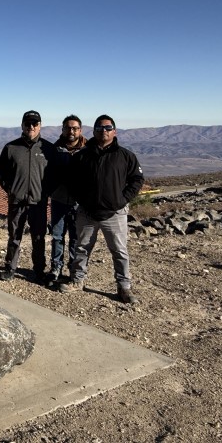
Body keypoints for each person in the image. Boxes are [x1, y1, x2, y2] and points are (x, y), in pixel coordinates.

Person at [59, 115, 145, 304]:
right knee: (81, 248)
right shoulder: (82, 155)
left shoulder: (125, 156)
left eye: (108, 127)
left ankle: (124, 287)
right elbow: (71, 181)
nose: (103, 131)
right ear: (94, 131)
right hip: (87, 212)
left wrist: (122, 200)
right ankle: (77, 280)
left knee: (119, 251)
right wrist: (81, 199)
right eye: (99, 128)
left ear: (114, 131)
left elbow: (137, 179)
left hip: (115, 213)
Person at [0, 110, 55, 282]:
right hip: (16, 201)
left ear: (40, 126)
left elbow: (55, 175)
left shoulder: (48, 149)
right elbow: (0, 173)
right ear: (22, 125)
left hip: (38, 202)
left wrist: (45, 192)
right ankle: (10, 268)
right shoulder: (11, 147)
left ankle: (39, 270)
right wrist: (11, 190)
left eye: (34, 123)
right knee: (14, 237)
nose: (31, 127)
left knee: (38, 237)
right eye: (27, 123)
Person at [47, 115, 88, 285]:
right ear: (62, 129)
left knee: (76, 238)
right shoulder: (54, 149)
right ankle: (56, 268)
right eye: (68, 128)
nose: (71, 131)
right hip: (59, 199)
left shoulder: (88, 150)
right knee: (57, 236)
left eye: (75, 128)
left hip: (80, 202)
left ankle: (73, 269)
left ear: (80, 130)